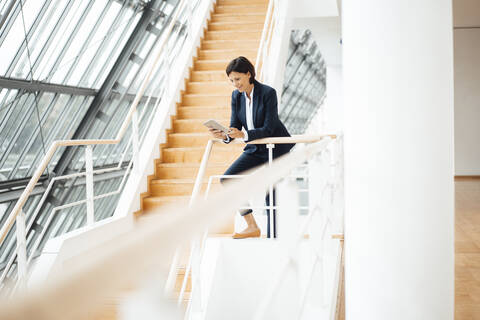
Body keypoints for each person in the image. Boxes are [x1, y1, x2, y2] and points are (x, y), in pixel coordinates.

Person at [208, 56, 295, 239]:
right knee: (227, 179)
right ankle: (252, 225)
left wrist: (244, 135)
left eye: (238, 79)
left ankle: (273, 237)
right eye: (231, 80)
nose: (235, 84)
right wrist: (224, 135)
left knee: (270, 191)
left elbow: (269, 128)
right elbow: (236, 128)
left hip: (275, 147)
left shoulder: (267, 93)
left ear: (249, 74)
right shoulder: (236, 96)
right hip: (255, 148)